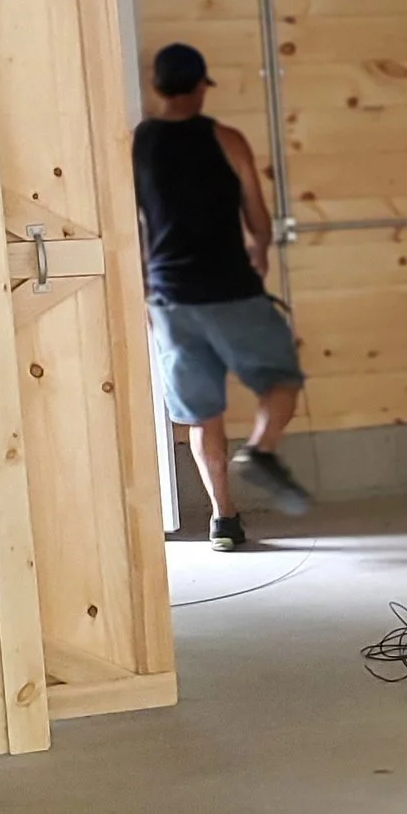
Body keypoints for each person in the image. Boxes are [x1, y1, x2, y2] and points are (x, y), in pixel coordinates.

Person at [132, 42, 310, 548]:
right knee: (281, 379)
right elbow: (256, 216)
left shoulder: (136, 143)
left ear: (158, 88)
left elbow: (135, 223)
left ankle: (223, 519)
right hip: (230, 289)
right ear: (200, 87)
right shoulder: (226, 139)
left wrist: (147, 290)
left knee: (200, 414)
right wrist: (260, 249)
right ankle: (261, 448)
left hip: (170, 300)